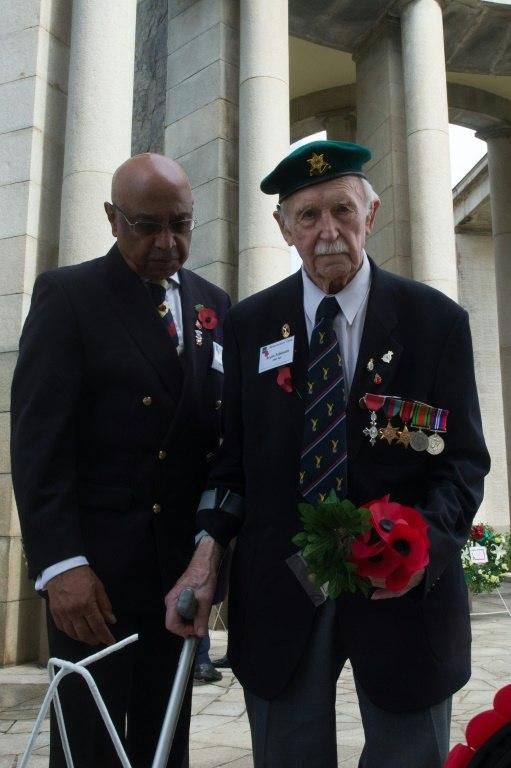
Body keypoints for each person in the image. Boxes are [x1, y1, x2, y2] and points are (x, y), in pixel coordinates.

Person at [164, 140, 491, 768]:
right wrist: (206, 557)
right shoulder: (252, 326)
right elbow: (233, 463)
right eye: (308, 216)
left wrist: (423, 547)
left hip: (402, 594)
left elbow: (461, 461)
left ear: (371, 216)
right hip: (283, 590)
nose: (328, 231)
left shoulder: (434, 322)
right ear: (284, 228)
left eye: (342, 210)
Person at [10, 153, 230, 768]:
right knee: (90, 745)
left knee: (165, 746)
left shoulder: (216, 305)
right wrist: (60, 568)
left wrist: (210, 556)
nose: (167, 243)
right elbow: (37, 444)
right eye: (147, 225)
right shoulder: (70, 295)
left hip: (177, 581)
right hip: (94, 581)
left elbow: (218, 441)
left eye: (181, 225)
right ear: (113, 219)